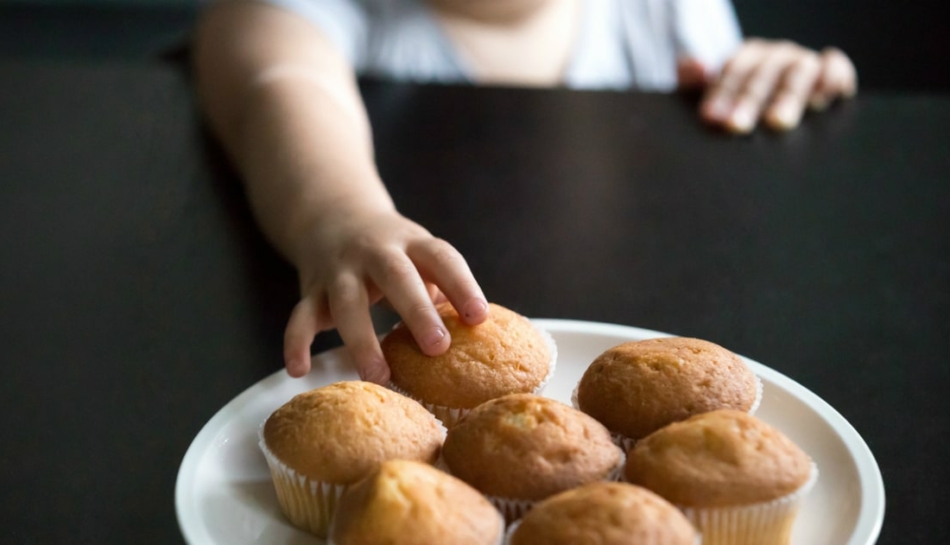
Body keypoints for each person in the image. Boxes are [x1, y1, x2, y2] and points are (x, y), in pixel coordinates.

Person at [192, 0, 857, 384]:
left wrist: (768, 75)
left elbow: (721, 105)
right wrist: (340, 213)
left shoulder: (665, 11)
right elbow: (279, 84)